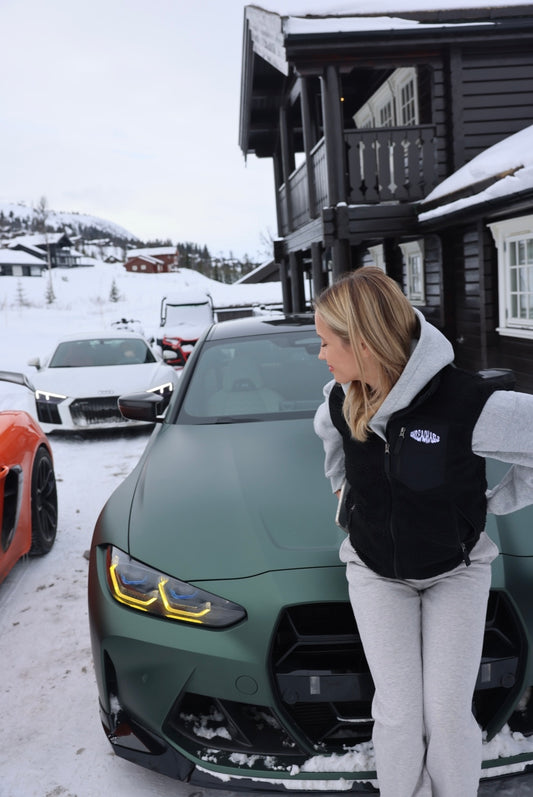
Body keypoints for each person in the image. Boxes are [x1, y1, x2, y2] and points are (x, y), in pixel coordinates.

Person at [313, 266, 533, 797]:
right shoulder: (340, 400)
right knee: (398, 712)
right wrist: (346, 497)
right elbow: (333, 449)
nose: (320, 355)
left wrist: (498, 501)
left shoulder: (467, 403)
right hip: (374, 572)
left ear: (363, 343)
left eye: (325, 342)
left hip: (455, 572)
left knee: (448, 713)